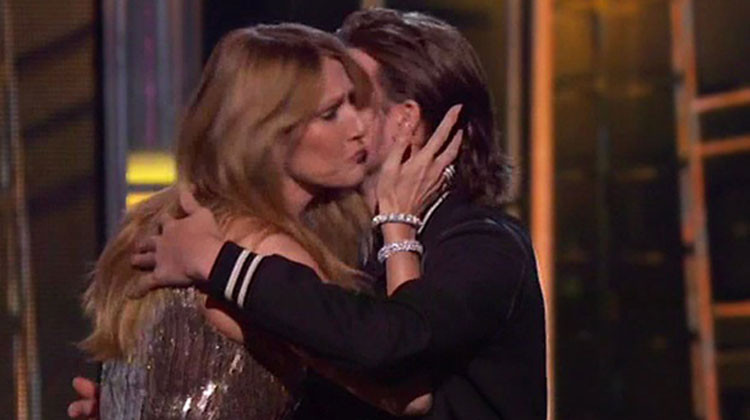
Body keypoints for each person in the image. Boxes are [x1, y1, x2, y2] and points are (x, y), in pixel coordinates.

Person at [131, 9, 548, 420]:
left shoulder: (483, 244)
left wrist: (217, 260)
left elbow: (395, 350)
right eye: (331, 108)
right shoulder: (338, 238)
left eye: (356, 100)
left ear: (406, 121)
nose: (351, 125)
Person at [71, 22, 459, 419]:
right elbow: (409, 392)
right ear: (267, 133)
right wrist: (399, 228)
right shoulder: (262, 251)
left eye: (354, 102)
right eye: (330, 114)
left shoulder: (160, 221)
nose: (359, 128)